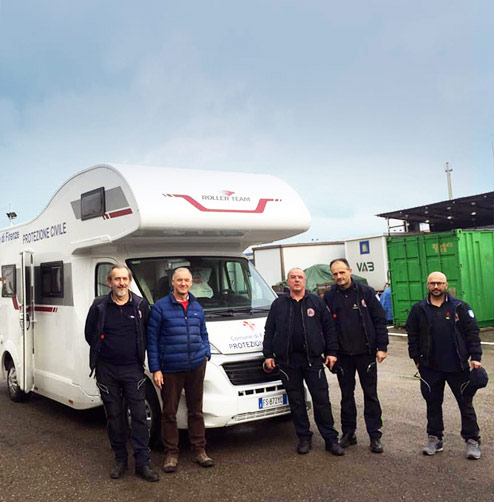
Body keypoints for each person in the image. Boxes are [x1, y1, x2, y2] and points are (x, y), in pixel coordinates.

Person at [85, 265, 159, 482]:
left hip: (132, 369)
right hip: (106, 370)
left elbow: (147, 333)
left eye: (124, 279)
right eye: (116, 279)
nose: (121, 283)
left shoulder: (140, 305)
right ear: (109, 282)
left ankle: (142, 463)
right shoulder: (99, 306)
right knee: (115, 416)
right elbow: (90, 334)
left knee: (138, 417)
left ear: (129, 281)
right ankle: (120, 460)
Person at [263, 267, 344, 456]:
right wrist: (268, 354)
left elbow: (329, 329)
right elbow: (269, 331)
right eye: (293, 278)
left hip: (313, 361)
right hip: (288, 362)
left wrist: (331, 352)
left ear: (305, 281)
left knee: (321, 401)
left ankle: (330, 440)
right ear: (288, 282)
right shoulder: (278, 304)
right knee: (297, 402)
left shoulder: (316, 302)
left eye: (300, 277)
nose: (297, 280)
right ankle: (304, 438)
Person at [405, 271, 483, 459]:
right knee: (432, 404)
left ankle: (472, 440)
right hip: (430, 367)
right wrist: (416, 359)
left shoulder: (460, 307)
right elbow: (412, 335)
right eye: (432, 283)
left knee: (465, 404)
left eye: (439, 283)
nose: (436, 287)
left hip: (458, 367)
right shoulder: (419, 309)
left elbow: (472, 333)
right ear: (427, 285)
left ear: (446, 284)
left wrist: (475, 357)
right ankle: (434, 439)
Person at [147, 267, 212, 473]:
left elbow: (203, 331)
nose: (183, 284)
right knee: (169, 413)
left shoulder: (196, 306)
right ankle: (171, 453)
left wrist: (206, 353)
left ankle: (199, 450)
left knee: (196, 411)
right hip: (170, 369)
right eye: (179, 280)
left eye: (187, 280)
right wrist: (156, 368)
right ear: (172, 283)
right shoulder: (160, 307)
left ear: (191, 283)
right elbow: (152, 340)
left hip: (195, 366)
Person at [324, 258, 388, 453]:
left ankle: (375, 436)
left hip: (366, 354)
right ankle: (348, 433)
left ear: (350, 271)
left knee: (371, 396)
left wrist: (382, 347)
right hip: (343, 356)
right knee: (346, 397)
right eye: (335, 274)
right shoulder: (329, 297)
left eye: (342, 272)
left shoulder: (366, 293)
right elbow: (327, 328)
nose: (339, 277)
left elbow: (379, 320)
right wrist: (331, 352)